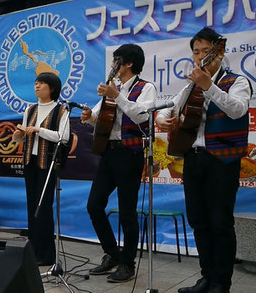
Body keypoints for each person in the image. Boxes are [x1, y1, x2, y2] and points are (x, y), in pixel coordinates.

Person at [156, 27, 251, 293]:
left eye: (206, 51)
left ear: (219, 52)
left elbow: (238, 109)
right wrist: (163, 118)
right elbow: (166, 108)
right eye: (196, 52)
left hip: (222, 161)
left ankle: (222, 282)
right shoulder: (189, 88)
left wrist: (209, 85)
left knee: (220, 222)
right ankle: (206, 277)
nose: (200, 57)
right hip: (194, 159)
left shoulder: (238, 82)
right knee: (198, 220)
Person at [82, 44, 156, 282]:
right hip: (109, 152)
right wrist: (90, 117)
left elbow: (143, 117)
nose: (113, 65)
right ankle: (112, 253)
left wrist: (117, 96)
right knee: (94, 205)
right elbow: (99, 117)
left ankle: (127, 263)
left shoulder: (146, 88)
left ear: (128, 63)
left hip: (129, 154)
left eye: (116, 61)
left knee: (127, 211)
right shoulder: (114, 88)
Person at [12, 72, 70, 266]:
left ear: (52, 88)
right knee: (31, 205)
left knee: (43, 207)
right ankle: (33, 250)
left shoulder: (61, 110)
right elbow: (21, 138)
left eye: (42, 83)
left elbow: (63, 137)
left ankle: (46, 255)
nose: (37, 86)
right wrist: (18, 134)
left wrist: (38, 130)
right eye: (36, 83)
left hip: (48, 162)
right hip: (30, 161)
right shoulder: (30, 109)